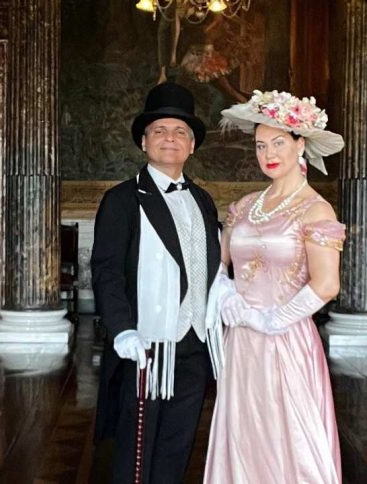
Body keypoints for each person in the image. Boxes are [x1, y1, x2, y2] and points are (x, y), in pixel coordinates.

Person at [203, 90, 345, 483]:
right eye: (261, 144)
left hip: (285, 339)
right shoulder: (245, 205)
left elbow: (327, 285)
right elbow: (221, 261)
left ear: (301, 144)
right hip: (241, 340)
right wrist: (225, 293)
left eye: (279, 142)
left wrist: (270, 319)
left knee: (288, 438)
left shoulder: (317, 209)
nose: (269, 152)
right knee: (244, 433)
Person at [90, 82, 222, 484]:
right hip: (146, 347)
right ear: (144, 141)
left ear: (193, 146)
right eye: (161, 131)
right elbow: (106, 271)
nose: (171, 138)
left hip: (196, 345)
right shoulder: (122, 200)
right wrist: (122, 329)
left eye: (181, 131)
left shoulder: (203, 199)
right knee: (136, 451)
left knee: (178, 444)